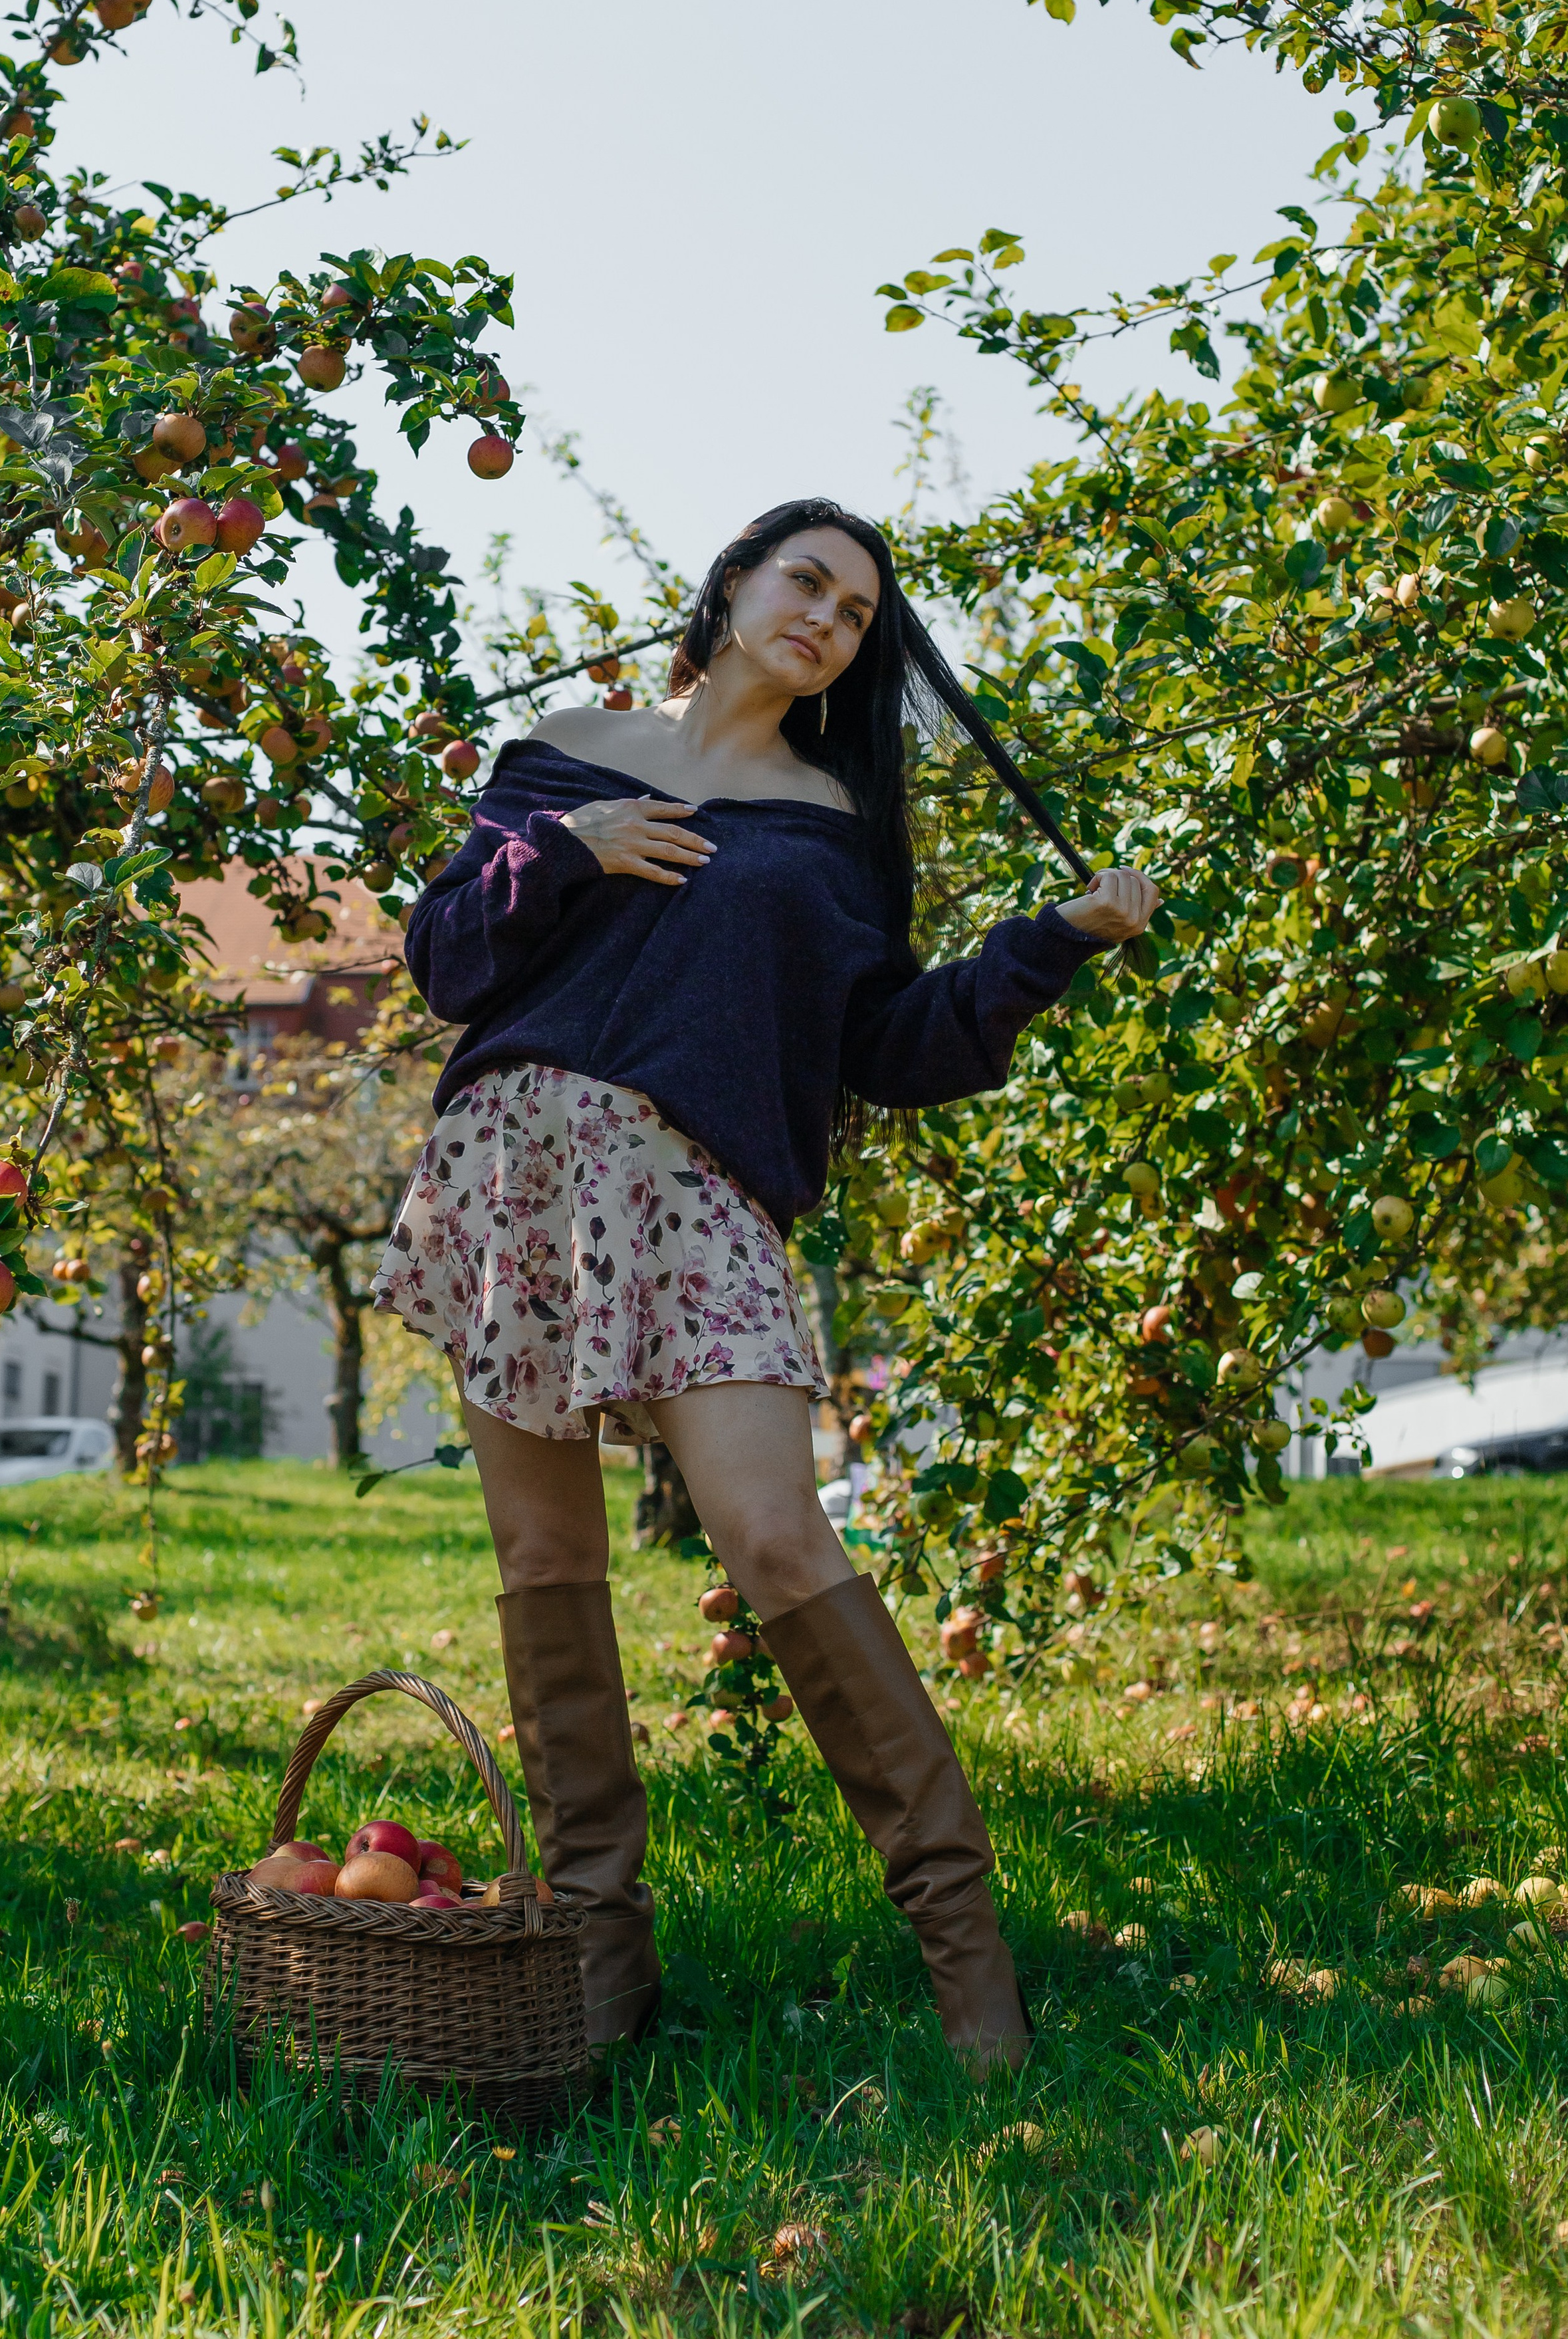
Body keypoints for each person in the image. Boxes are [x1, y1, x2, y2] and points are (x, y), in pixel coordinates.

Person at [374, 497, 1158, 2070]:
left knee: (775, 1531)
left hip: (697, 1189)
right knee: (541, 1551)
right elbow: (447, 959)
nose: (826, 616)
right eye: (805, 580)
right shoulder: (563, 748)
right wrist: (565, 851)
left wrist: (1048, 943)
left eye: (858, 612)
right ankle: (599, 1976)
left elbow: (884, 1049)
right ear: (730, 581)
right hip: (511, 1172)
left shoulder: (828, 826)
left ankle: (968, 1969)